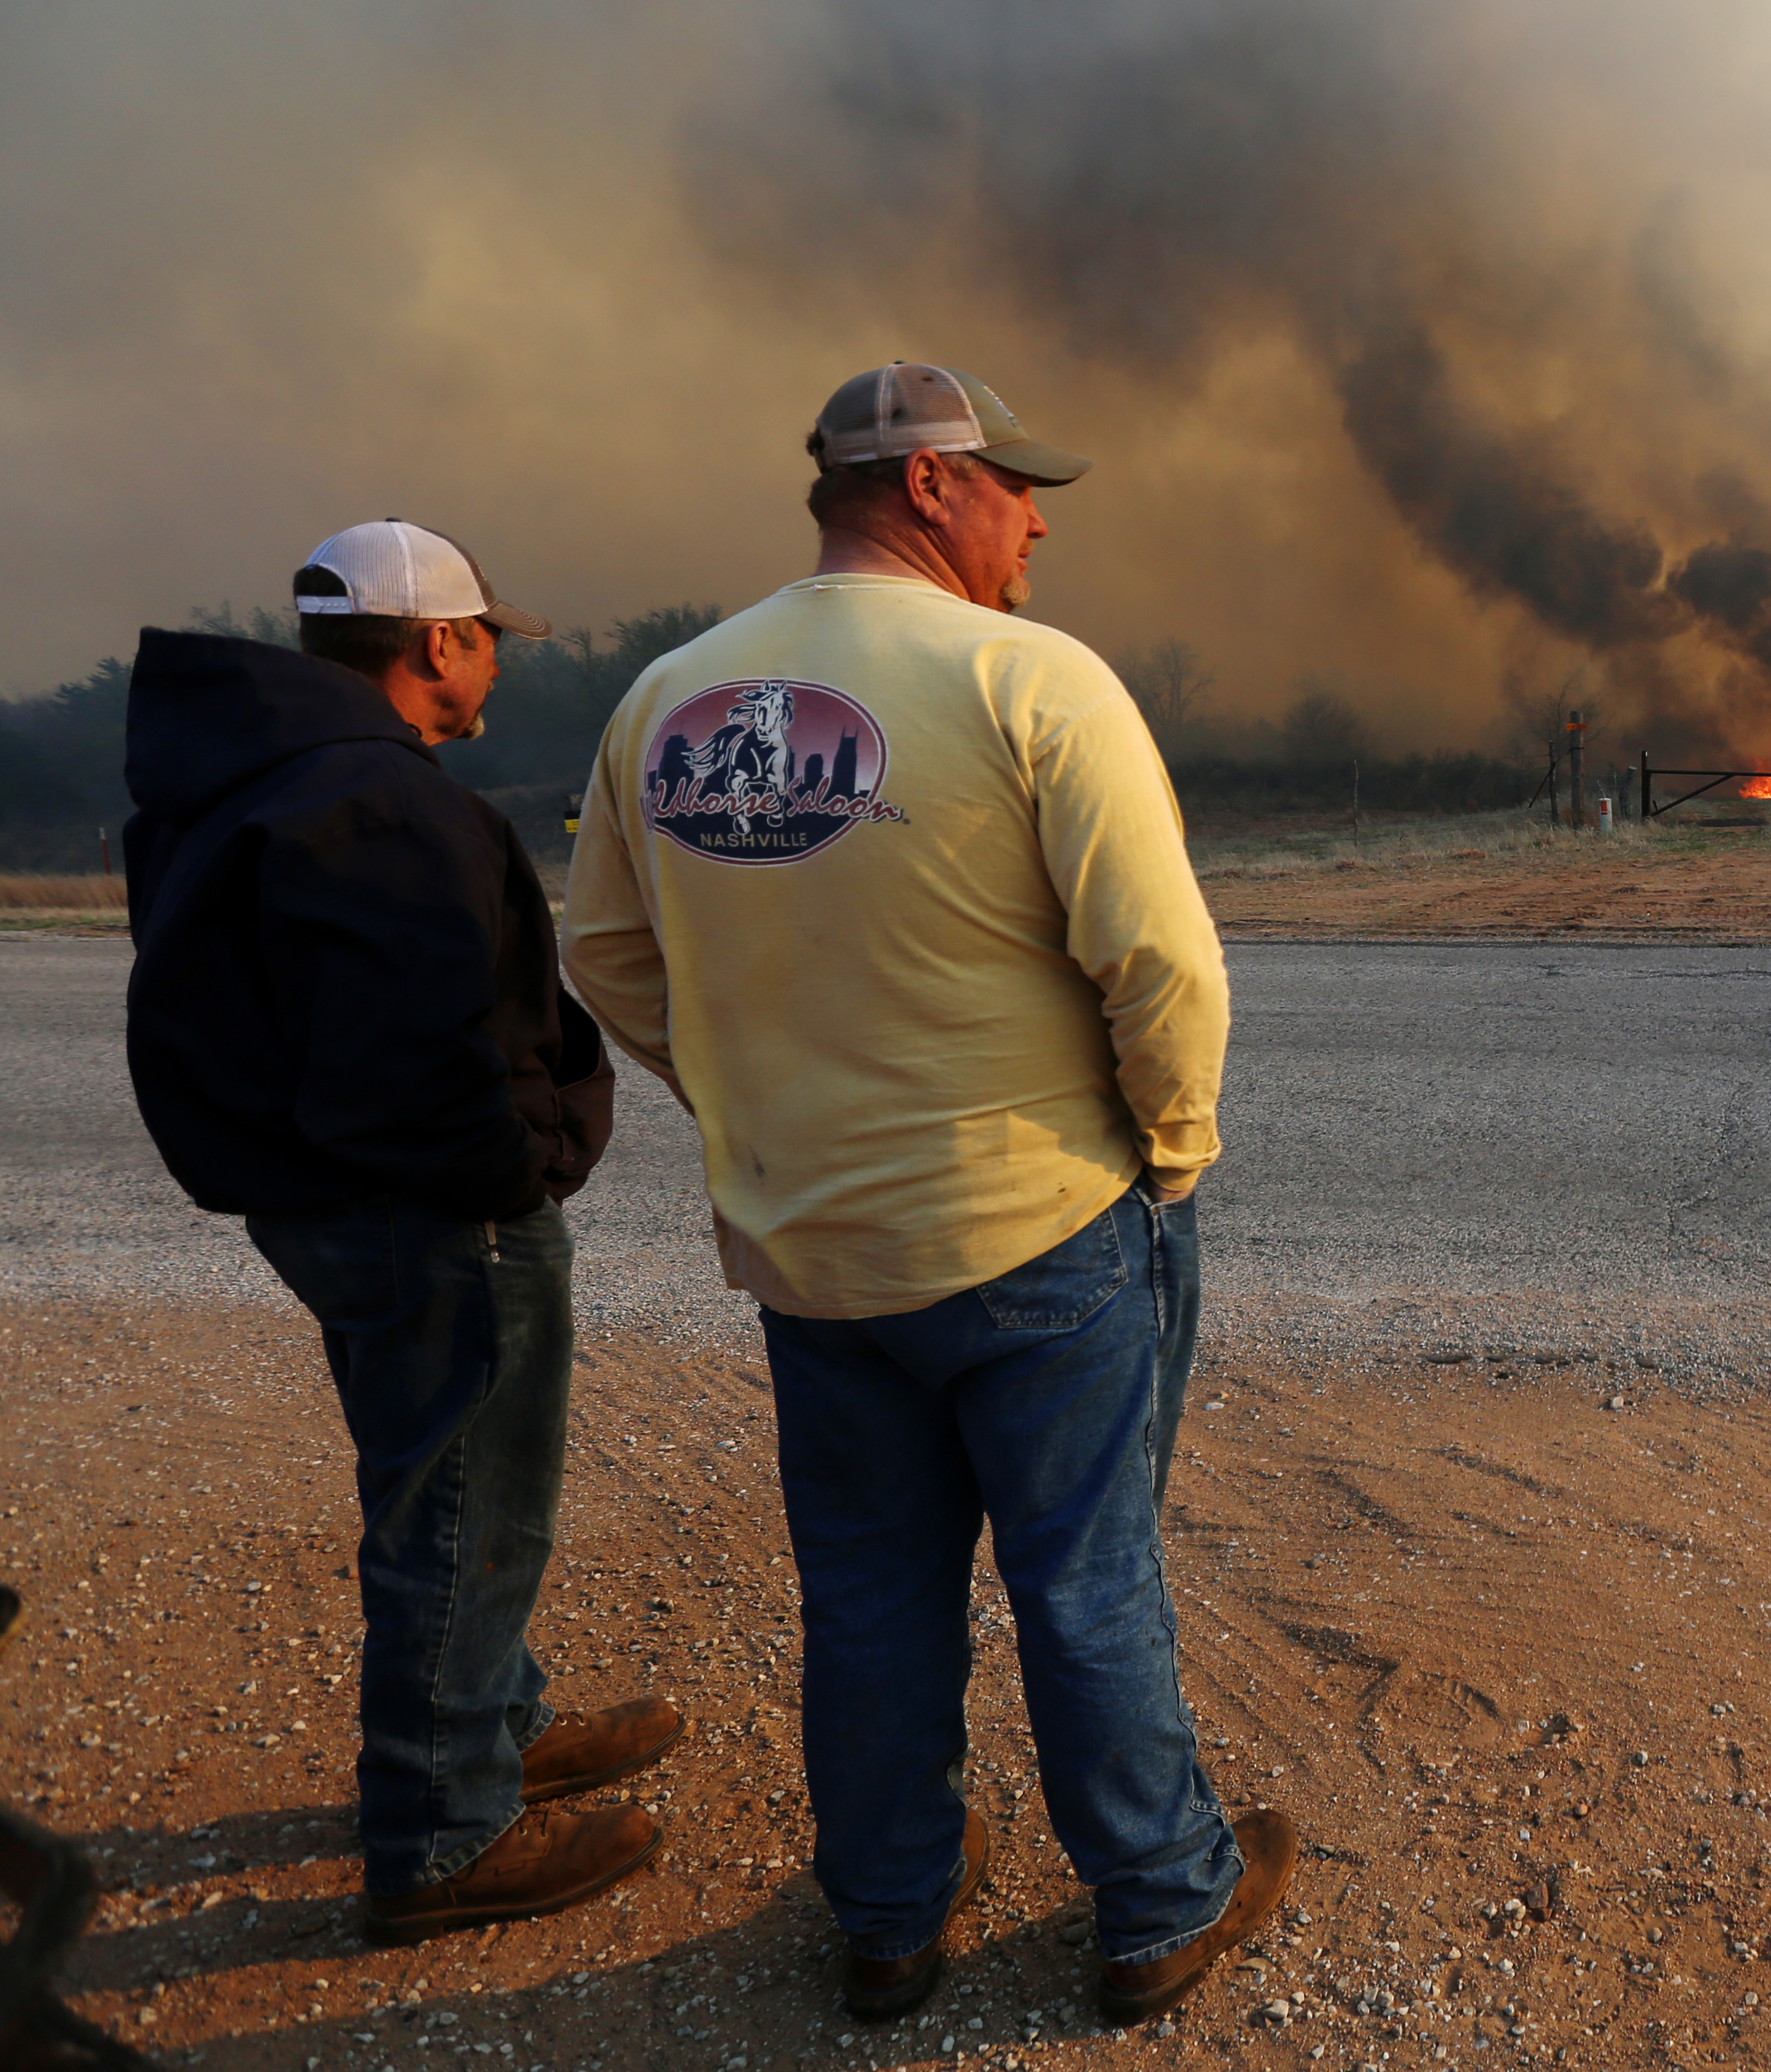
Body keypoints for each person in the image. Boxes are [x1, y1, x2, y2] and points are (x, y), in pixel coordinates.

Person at [562, 363, 1291, 2029]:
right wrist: (1169, 1153)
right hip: (1036, 1228)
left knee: (874, 1592)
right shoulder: (1031, 679)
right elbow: (1161, 964)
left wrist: (753, 1109)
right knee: (1086, 1577)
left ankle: (890, 1919)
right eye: (1016, 486)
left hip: (812, 1254)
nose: (1038, 517)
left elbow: (605, 957)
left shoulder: (667, 700)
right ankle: (1160, 1903)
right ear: (929, 487)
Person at [121, 521, 681, 1945]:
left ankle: (487, 1726)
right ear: (437, 641)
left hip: (321, 1200)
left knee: (436, 1482)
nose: (496, 660)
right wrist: (529, 1161)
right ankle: (440, 1827)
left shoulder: (241, 777)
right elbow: (430, 1058)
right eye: (490, 634)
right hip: (432, 1216)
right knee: (463, 1505)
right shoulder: (385, 805)